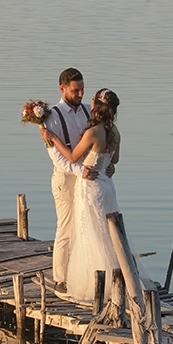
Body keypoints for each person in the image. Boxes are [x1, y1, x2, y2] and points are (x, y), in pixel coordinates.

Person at [42, 88, 128, 302]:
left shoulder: (93, 133)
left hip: (90, 188)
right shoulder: (115, 131)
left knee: (89, 233)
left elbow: (72, 156)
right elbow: (114, 160)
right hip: (107, 186)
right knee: (106, 232)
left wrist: (53, 138)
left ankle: (94, 283)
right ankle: (114, 280)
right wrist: (107, 165)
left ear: (97, 108)